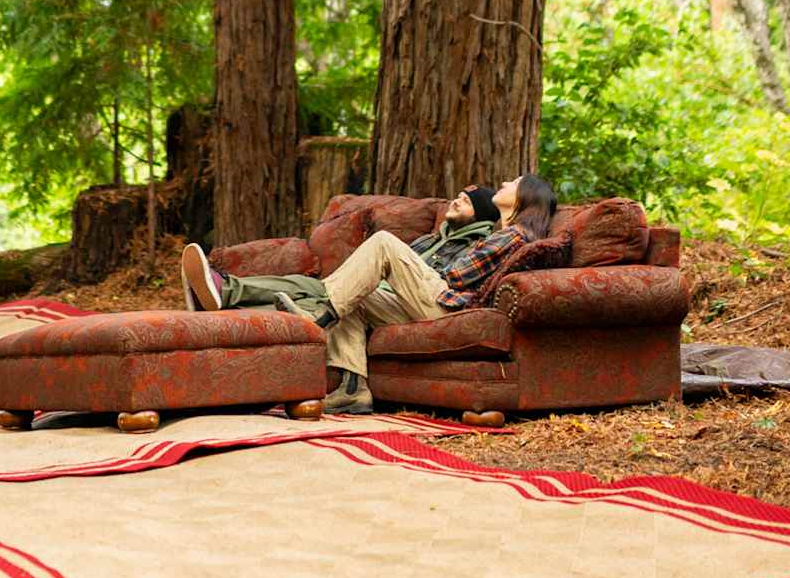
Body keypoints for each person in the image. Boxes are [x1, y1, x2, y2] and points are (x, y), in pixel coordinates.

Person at [180, 174, 558, 417]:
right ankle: (352, 390)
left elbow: (457, 276)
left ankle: (315, 317)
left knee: (382, 244)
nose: (505, 183)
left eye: (513, 182)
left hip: (444, 303)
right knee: (355, 296)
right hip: (429, 299)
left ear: (525, 198)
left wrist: (412, 270)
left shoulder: (515, 235)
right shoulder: (500, 232)